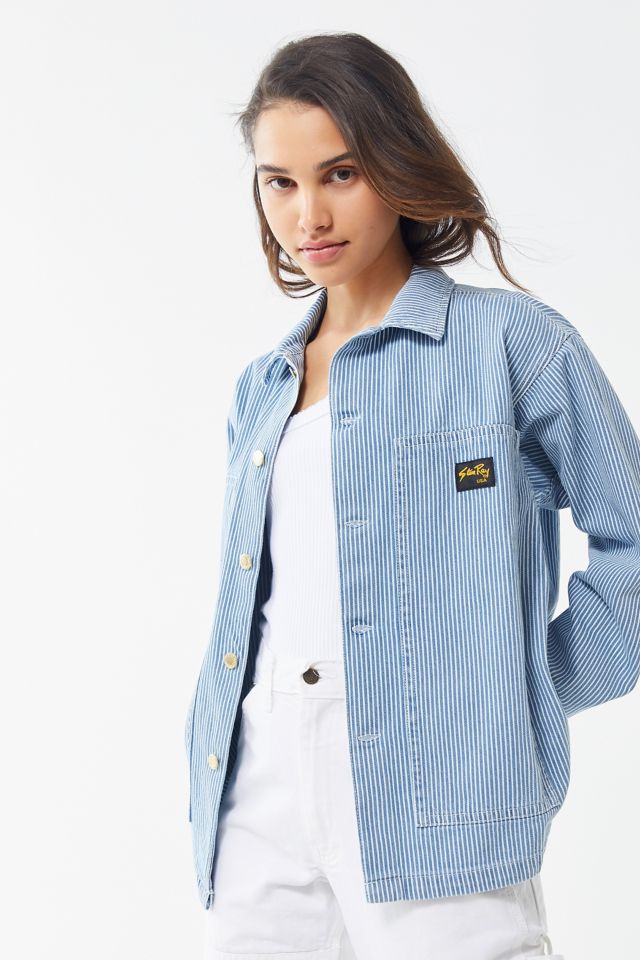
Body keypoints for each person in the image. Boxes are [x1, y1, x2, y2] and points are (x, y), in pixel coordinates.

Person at [184, 32, 640, 960]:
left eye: (340, 173)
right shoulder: (261, 387)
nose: (308, 213)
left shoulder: (513, 344)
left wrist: (521, 687)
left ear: (395, 164)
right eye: (280, 182)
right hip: (257, 785)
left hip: (443, 788)